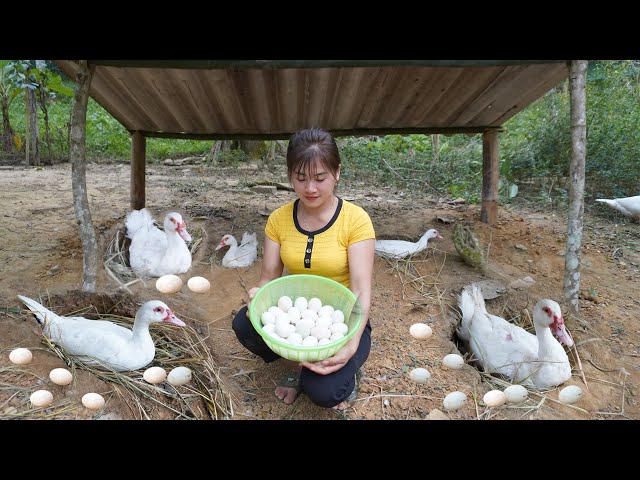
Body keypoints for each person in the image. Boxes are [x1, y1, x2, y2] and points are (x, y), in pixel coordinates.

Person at [232, 127, 375, 410]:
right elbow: (269, 278)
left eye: (320, 178)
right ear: (289, 176)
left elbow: (360, 289)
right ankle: (298, 367)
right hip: (298, 314)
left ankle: (344, 370)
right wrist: (257, 296)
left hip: (343, 321)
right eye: (301, 178)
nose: (310, 188)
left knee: (325, 393)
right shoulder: (279, 220)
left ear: (337, 173)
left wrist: (350, 342)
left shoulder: (355, 221)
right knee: (244, 324)